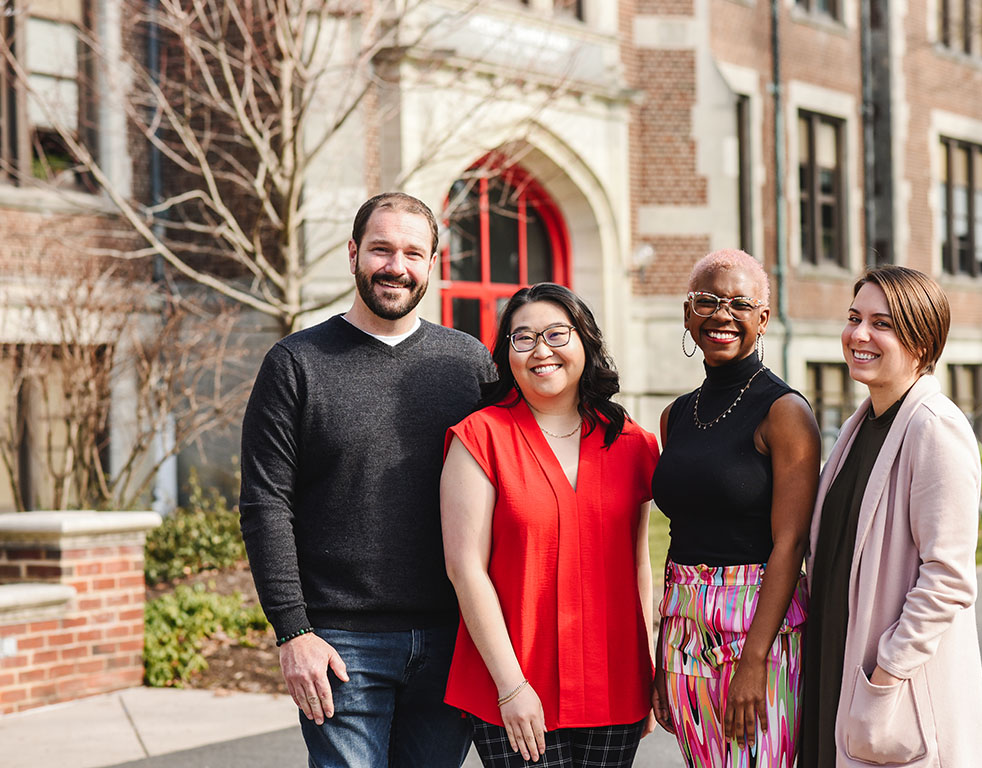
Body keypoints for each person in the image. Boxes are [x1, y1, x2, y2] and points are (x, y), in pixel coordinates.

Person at [239, 192, 492, 768]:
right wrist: (292, 631)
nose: (395, 267)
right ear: (353, 253)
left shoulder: (469, 365)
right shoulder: (296, 363)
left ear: (432, 264)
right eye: (380, 249)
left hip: (454, 637)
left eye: (412, 253)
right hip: (340, 644)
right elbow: (264, 503)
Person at [441, 282, 660, 768]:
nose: (541, 350)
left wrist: (645, 669)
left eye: (556, 334)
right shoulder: (480, 437)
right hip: (515, 684)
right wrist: (511, 685)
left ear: (585, 342)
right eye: (523, 338)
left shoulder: (631, 442)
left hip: (614, 682)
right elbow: (465, 569)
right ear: (507, 354)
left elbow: (637, 564)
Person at [801, 265, 982, 767]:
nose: (859, 335)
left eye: (882, 323)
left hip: (891, 682)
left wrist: (888, 670)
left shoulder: (935, 427)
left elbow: (948, 577)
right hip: (836, 664)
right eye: (853, 317)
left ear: (922, 340)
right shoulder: (861, 424)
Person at [650, 250, 821, 768]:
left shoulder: (785, 413)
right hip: (684, 626)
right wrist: (664, 652)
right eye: (708, 301)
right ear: (687, 314)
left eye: (740, 304)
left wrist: (754, 661)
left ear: (762, 319)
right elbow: (680, 533)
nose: (722, 315)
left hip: (759, 627)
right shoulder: (676, 414)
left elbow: (791, 545)